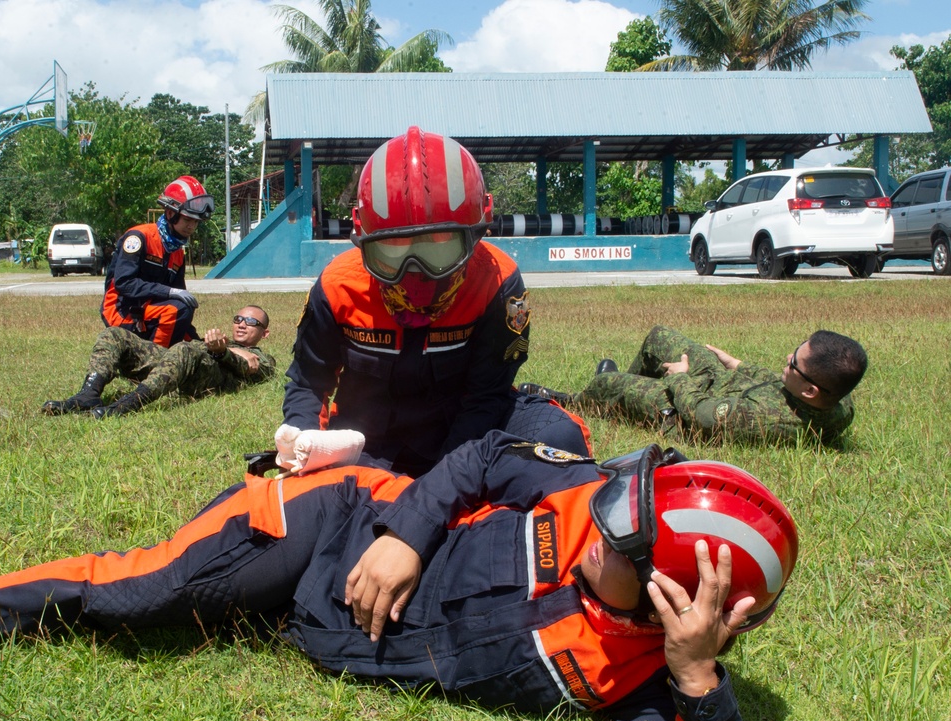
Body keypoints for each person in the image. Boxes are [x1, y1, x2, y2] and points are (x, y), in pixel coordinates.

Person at [0, 431, 797, 721]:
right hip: (338, 519)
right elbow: (486, 454)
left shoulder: (647, 683)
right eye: (613, 504)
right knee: (139, 597)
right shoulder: (589, 496)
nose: (595, 528)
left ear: (671, 606)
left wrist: (696, 678)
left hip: (302, 619)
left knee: (205, 616)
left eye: (618, 543)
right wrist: (408, 533)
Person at [282, 126, 591, 476]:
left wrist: (444, 481)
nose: (417, 274)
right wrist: (301, 440)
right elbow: (309, 383)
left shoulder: (498, 282)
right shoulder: (337, 285)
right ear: (363, 240)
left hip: (467, 433)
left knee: (559, 438)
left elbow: (485, 399)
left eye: (439, 247)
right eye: (393, 252)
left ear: (478, 233)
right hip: (369, 445)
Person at [521, 326, 867, 445]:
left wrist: (682, 377)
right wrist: (737, 365)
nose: (786, 360)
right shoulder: (834, 396)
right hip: (723, 386)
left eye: (794, 363)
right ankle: (618, 390)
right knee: (661, 338)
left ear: (810, 391)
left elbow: (701, 414)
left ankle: (580, 400)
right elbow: (774, 383)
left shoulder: (768, 419)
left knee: (611, 383)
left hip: (688, 411)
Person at [41, 305, 275, 418]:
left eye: (251, 322)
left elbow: (252, 368)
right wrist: (215, 346)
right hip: (175, 363)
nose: (242, 324)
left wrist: (223, 353)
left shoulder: (264, 357)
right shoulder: (218, 340)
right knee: (115, 334)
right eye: (239, 319)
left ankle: (126, 405)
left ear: (264, 333)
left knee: (184, 349)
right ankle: (88, 393)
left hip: (197, 374)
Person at [100, 176, 214, 348]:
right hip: (121, 311)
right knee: (177, 308)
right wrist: (169, 291)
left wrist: (199, 344)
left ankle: (161, 356)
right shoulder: (139, 237)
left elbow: (180, 305)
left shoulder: (177, 251)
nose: (191, 227)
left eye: (196, 222)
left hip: (149, 311)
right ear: (170, 213)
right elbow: (124, 283)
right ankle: (154, 360)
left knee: (183, 307)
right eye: (187, 220)